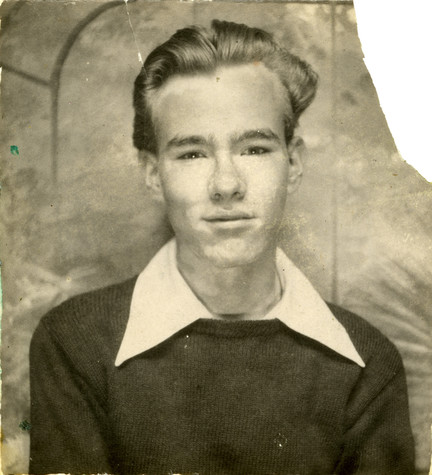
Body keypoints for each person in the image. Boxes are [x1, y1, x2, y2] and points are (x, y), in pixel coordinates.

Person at [29, 20, 415, 474]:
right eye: (192, 153)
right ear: (154, 173)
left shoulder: (368, 363)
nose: (226, 185)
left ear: (293, 163)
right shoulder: (75, 343)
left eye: (254, 148)